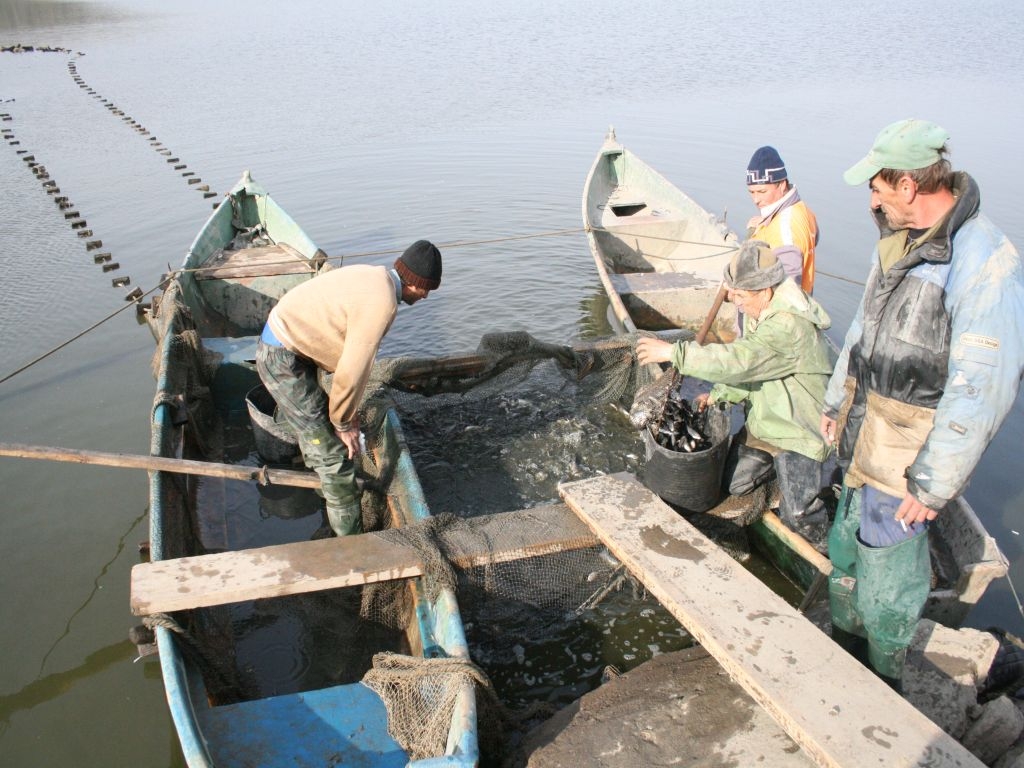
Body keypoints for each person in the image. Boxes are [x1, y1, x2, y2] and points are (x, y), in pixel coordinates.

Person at [820, 118, 1024, 689]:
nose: (872, 199)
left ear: (908, 186)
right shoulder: (897, 242)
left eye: (877, 187)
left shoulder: (985, 261)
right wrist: (838, 399)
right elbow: (863, 327)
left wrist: (934, 482)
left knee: (888, 567)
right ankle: (848, 650)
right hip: (867, 428)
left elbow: (982, 385)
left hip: (910, 450)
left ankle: (885, 679)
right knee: (849, 548)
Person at [637, 240, 835, 539]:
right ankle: (774, 475)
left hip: (799, 432)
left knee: (799, 515)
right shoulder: (764, 312)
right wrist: (719, 393)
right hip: (767, 423)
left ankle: (830, 564)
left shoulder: (787, 325)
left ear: (765, 291)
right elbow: (754, 368)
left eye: (740, 296)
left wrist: (675, 353)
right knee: (734, 486)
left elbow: (740, 360)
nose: (736, 303)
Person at [256, 240, 442, 536]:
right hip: (284, 360)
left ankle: (328, 497)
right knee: (335, 461)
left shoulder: (375, 276)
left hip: (292, 348)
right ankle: (352, 547)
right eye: (428, 290)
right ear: (417, 285)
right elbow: (352, 370)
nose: (426, 297)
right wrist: (343, 423)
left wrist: (347, 415)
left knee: (325, 434)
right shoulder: (382, 303)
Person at [745, 145, 819, 293]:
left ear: (782, 185)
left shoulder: (785, 227)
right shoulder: (803, 209)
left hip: (770, 313)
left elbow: (787, 286)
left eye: (762, 191)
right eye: (751, 192)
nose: (756, 200)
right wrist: (764, 224)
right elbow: (814, 238)